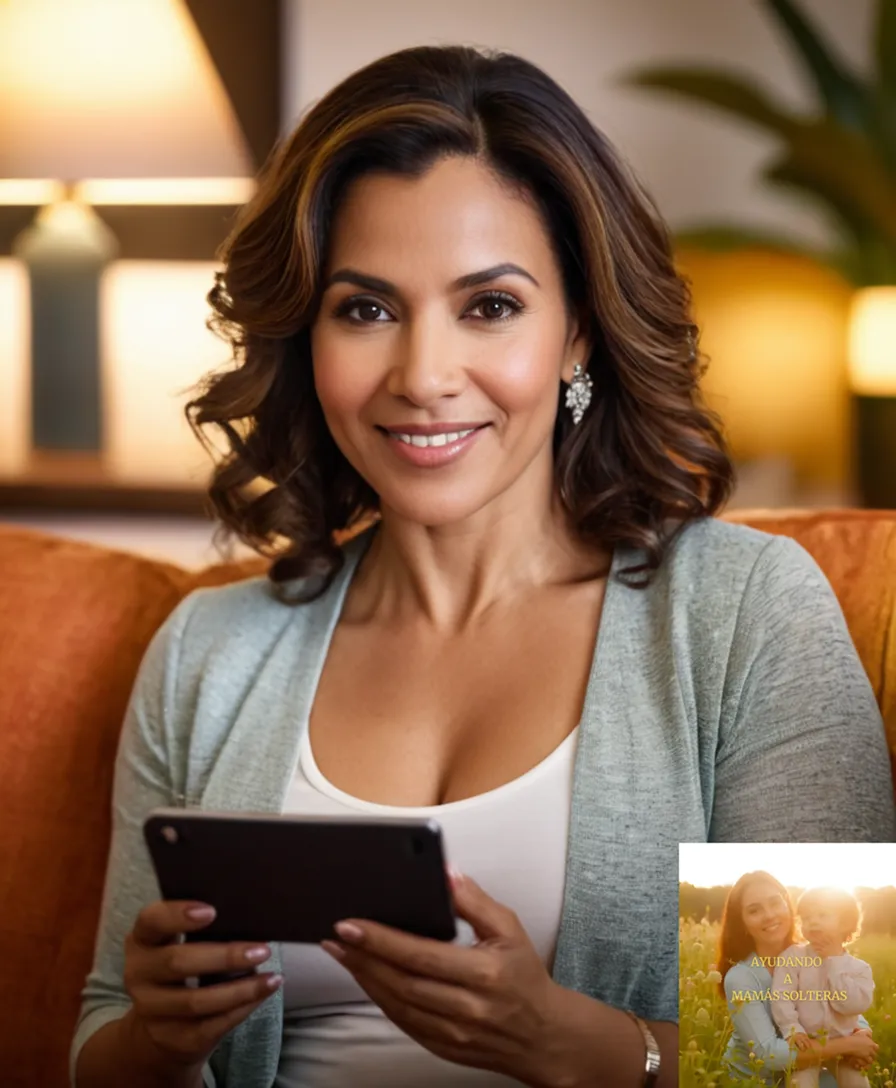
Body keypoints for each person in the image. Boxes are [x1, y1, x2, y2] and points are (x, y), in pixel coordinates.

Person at [70, 42, 896, 1088]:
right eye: (364, 308)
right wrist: (157, 1036)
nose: (422, 375)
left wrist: (572, 1040)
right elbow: (101, 1035)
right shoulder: (210, 652)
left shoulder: (744, 616)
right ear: (305, 334)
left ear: (577, 334)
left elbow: (842, 1062)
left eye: (489, 306)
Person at [718, 873, 879, 1085]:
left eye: (775, 903)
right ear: (743, 923)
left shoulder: (814, 952)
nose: (769, 915)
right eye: (754, 910)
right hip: (758, 1079)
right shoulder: (740, 978)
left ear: (788, 906)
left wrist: (861, 1032)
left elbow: (834, 999)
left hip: (811, 1062)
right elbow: (768, 1055)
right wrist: (849, 1045)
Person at [770, 886, 875, 1088]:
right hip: (807, 1044)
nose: (813, 922)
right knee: (800, 1084)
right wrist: (793, 1030)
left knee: (857, 1083)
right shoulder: (793, 957)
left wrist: (834, 962)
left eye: (822, 915)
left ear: (845, 923)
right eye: (807, 918)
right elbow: (781, 997)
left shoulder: (859, 969)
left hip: (844, 1048)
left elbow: (853, 1006)